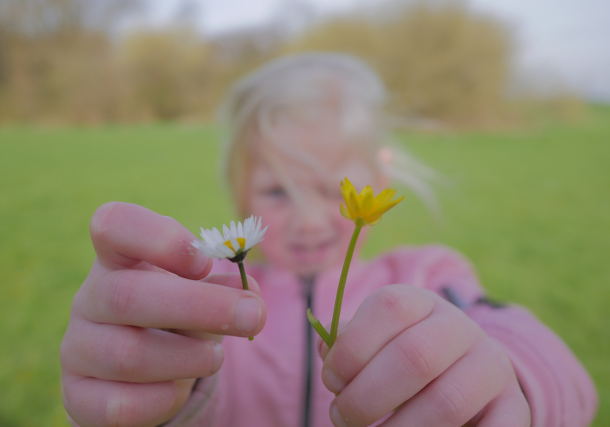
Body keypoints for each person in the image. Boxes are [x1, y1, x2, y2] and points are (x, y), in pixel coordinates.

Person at [60, 53, 598, 427]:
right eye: (277, 191)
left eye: (330, 189)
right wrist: (165, 391)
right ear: (239, 197)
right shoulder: (219, 309)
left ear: (378, 185)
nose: (309, 220)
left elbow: (560, 376)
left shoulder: (426, 279)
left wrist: (509, 381)